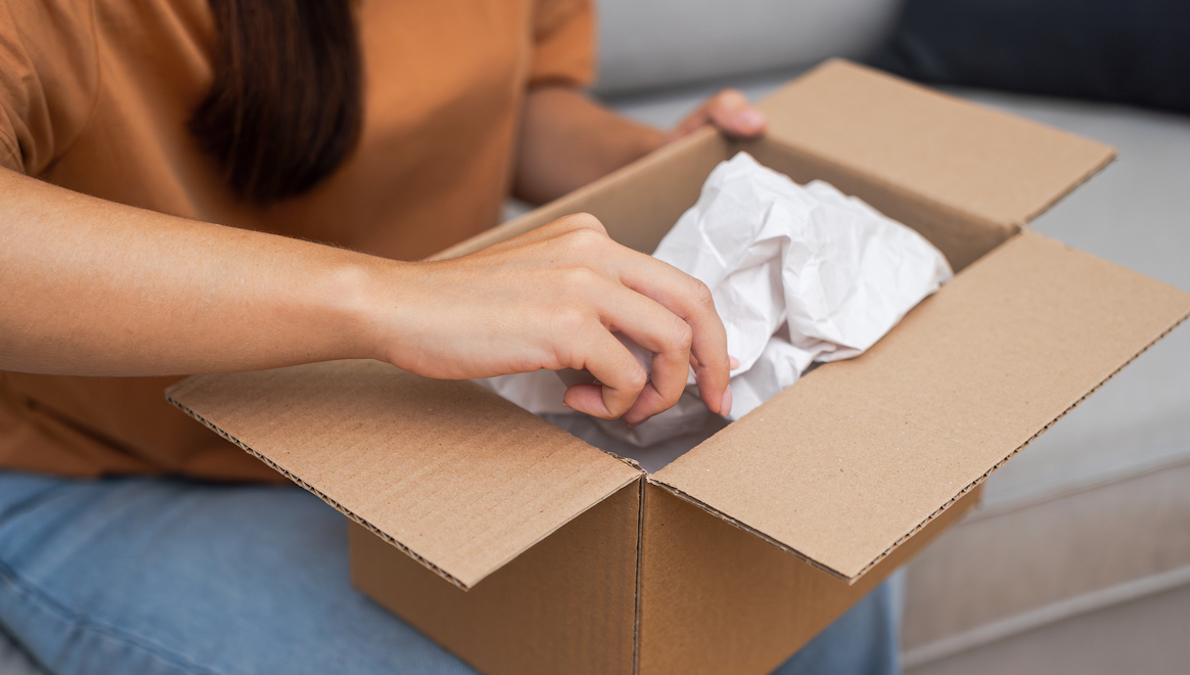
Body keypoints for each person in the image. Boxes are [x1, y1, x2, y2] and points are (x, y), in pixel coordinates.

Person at [0, 0, 902, 673]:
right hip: (111, 462)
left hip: (416, 417)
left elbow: (519, 103)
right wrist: (388, 300)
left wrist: (648, 167)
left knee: (809, 589)